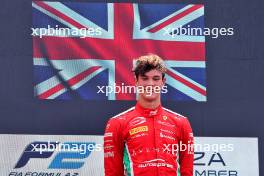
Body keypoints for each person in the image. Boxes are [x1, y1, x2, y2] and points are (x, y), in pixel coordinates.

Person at [104, 54, 194, 176]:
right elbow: (112, 172)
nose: (150, 84)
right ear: (136, 81)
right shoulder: (118, 123)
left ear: (163, 82)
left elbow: (187, 172)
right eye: (145, 78)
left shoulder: (181, 122)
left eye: (156, 78)